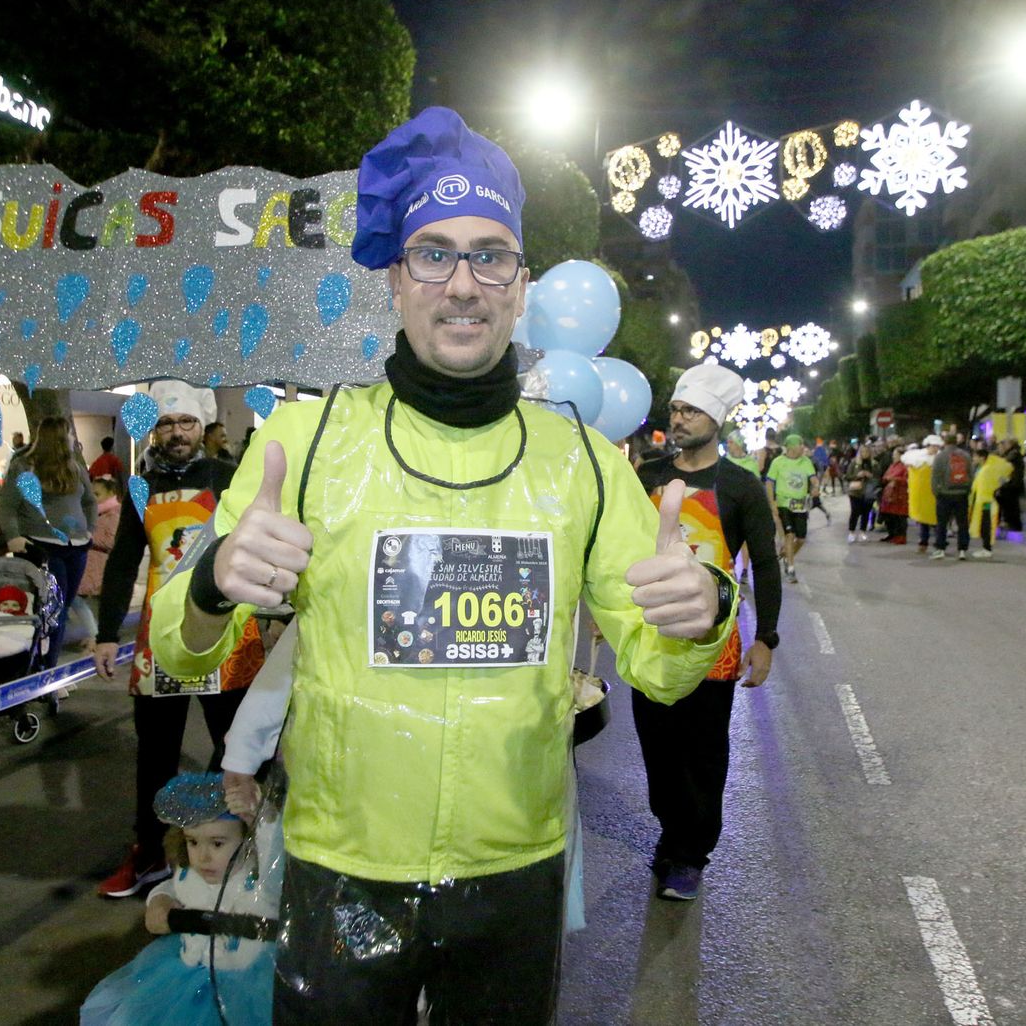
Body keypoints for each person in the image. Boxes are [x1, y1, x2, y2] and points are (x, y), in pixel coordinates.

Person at [146, 106, 733, 1024]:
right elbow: (176, 650)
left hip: (516, 870)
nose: (463, 283)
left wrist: (702, 612)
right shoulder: (305, 440)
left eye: (490, 254)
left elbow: (660, 674)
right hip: (342, 871)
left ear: (522, 285)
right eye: (435, 254)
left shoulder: (580, 459)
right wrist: (216, 578)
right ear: (396, 279)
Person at [92, 379, 267, 899]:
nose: (176, 433)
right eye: (166, 424)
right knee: (155, 755)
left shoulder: (228, 477)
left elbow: (258, 546)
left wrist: (274, 618)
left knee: (237, 752)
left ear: (201, 426)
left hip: (228, 636)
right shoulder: (139, 486)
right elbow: (124, 560)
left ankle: (249, 854)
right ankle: (149, 854)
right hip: (158, 640)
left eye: (186, 422)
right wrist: (105, 635)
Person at [633, 363, 781, 901]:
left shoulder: (740, 487)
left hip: (712, 648)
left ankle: (690, 853)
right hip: (649, 640)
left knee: (703, 754)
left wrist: (766, 637)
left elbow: (764, 564)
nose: (679, 418)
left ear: (716, 420)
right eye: (676, 409)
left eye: (691, 411)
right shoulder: (647, 476)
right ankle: (673, 830)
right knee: (657, 750)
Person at [81, 773, 281, 1026]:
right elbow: (174, 887)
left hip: (243, 990)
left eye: (217, 844)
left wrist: (262, 820)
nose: (203, 856)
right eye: (193, 842)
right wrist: (159, 900)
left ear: (248, 839)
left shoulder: (259, 883)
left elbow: (276, 860)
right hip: (187, 978)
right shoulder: (191, 875)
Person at [0, 415, 96, 668]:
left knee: (62, 607)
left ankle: (46, 664)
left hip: (77, 546)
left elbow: (90, 501)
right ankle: (47, 667)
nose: (74, 438)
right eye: (70, 434)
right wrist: (13, 537)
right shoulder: (24, 467)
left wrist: (90, 529)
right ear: (60, 439)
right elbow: (7, 507)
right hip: (41, 546)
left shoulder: (75, 466)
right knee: (56, 608)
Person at [766, 433, 818, 583]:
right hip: (784, 504)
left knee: (801, 539)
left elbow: (813, 479)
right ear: (792, 447)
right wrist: (772, 502)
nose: (803, 447)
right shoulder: (778, 462)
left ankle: (786, 556)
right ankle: (791, 568)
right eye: (800, 445)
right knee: (789, 535)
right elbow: (769, 483)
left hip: (801, 505)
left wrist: (816, 487)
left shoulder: (806, 461)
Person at [78, 475, 121, 609]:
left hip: (101, 564)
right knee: (80, 601)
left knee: (91, 603)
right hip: (91, 564)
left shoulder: (113, 515)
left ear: (111, 494)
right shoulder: (95, 513)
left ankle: (93, 629)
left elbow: (111, 541)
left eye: (97, 494)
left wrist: (87, 536)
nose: (93, 498)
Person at [930, 433, 974, 560]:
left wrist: (936, 492)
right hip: (961, 493)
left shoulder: (940, 456)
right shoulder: (965, 455)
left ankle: (941, 548)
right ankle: (962, 550)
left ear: (945, 442)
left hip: (944, 494)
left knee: (942, 523)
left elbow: (935, 477)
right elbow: (970, 474)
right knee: (962, 523)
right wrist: (967, 489)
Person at [968, 446, 1013, 559]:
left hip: (986, 502)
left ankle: (987, 548)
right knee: (984, 524)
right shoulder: (984, 468)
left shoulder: (986, 470)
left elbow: (985, 487)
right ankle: (985, 547)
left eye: (975, 456)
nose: (973, 459)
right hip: (984, 501)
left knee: (986, 524)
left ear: (982, 457)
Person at [904, 437, 940, 553]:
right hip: (922, 495)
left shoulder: (939, 458)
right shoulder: (918, 456)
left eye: (936, 446)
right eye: (933, 446)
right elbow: (907, 461)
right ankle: (923, 542)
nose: (934, 449)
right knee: (923, 520)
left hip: (934, 494)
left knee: (936, 520)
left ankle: (939, 543)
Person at [844, 442, 878, 544]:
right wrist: (858, 474)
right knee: (855, 512)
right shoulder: (854, 462)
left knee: (866, 512)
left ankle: (863, 532)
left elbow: (877, 478)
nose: (864, 453)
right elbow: (848, 476)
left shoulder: (874, 463)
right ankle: (851, 532)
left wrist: (870, 475)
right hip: (855, 491)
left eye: (866, 451)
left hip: (869, 492)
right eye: (862, 451)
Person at [878, 445, 910, 544]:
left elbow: (907, 479)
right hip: (890, 494)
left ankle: (900, 536)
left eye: (895, 455)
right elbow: (885, 476)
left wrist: (895, 479)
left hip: (900, 494)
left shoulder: (905, 466)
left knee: (900, 517)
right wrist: (887, 478)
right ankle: (892, 534)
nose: (893, 457)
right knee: (889, 516)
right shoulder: (892, 465)